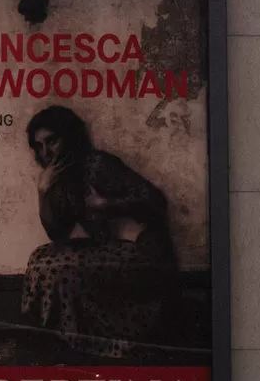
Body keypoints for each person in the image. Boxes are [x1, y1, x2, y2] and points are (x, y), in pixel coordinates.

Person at [19, 103, 176, 359]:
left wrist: (107, 204)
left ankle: (91, 344)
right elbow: (57, 234)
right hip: (110, 250)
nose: (46, 152)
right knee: (42, 258)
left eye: (52, 141)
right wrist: (43, 192)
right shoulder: (58, 177)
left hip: (145, 253)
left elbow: (156, 200)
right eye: (39, 146)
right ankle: (69, 337)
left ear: (69, 137)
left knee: (63, 268)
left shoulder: (98, 164)